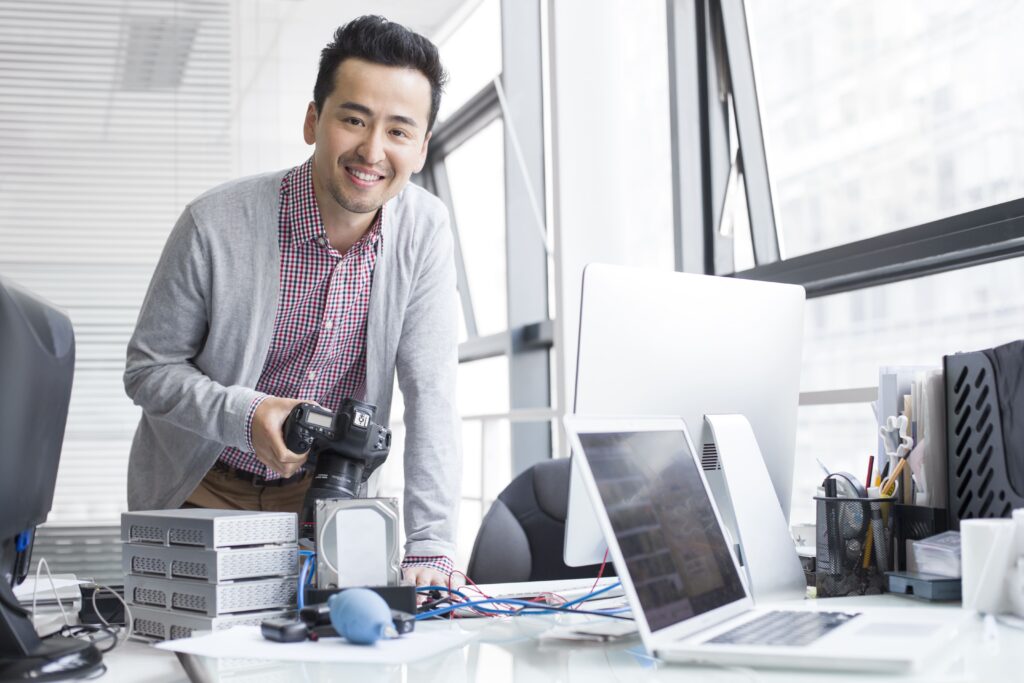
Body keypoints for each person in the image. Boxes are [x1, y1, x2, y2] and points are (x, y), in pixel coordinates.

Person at [123, 15, 460, 587]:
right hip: (200, 488)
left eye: (399, 131)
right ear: (313, 120)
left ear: (422, 147)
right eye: (353, 119)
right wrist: (246, 416)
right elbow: (148, 371)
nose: (372, 151)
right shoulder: (213, 224)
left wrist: (431, 546)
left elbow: (432, 394)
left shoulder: (424, 232)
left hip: (329, 496)